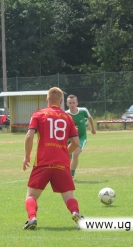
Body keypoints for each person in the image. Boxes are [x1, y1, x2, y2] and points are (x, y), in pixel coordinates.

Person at [22, 87, 83, 230]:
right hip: (61, 163)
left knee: (31, 196)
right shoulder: (68, 118)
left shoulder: (39, 114)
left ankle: (32, 218)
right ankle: (75, 213)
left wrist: (26, 156)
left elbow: (29, 136)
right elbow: (76, 143)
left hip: (43, 163)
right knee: (68, 195)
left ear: (47, 100)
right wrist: (64, 153)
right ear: (61, 101)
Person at [66, 95, 96, 179]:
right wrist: (71, 130)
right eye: (70, 103)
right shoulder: (66, 114)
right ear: (67, 104)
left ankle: (71, 175)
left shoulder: (83, 111)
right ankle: (67, 174)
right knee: (67, 156)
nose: (72, 104)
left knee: (75, 153)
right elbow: (63, 126)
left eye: (73, 103)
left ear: (77, 103)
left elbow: (90, 118)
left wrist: (93, 128)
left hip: (81, 137)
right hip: (70, 138)